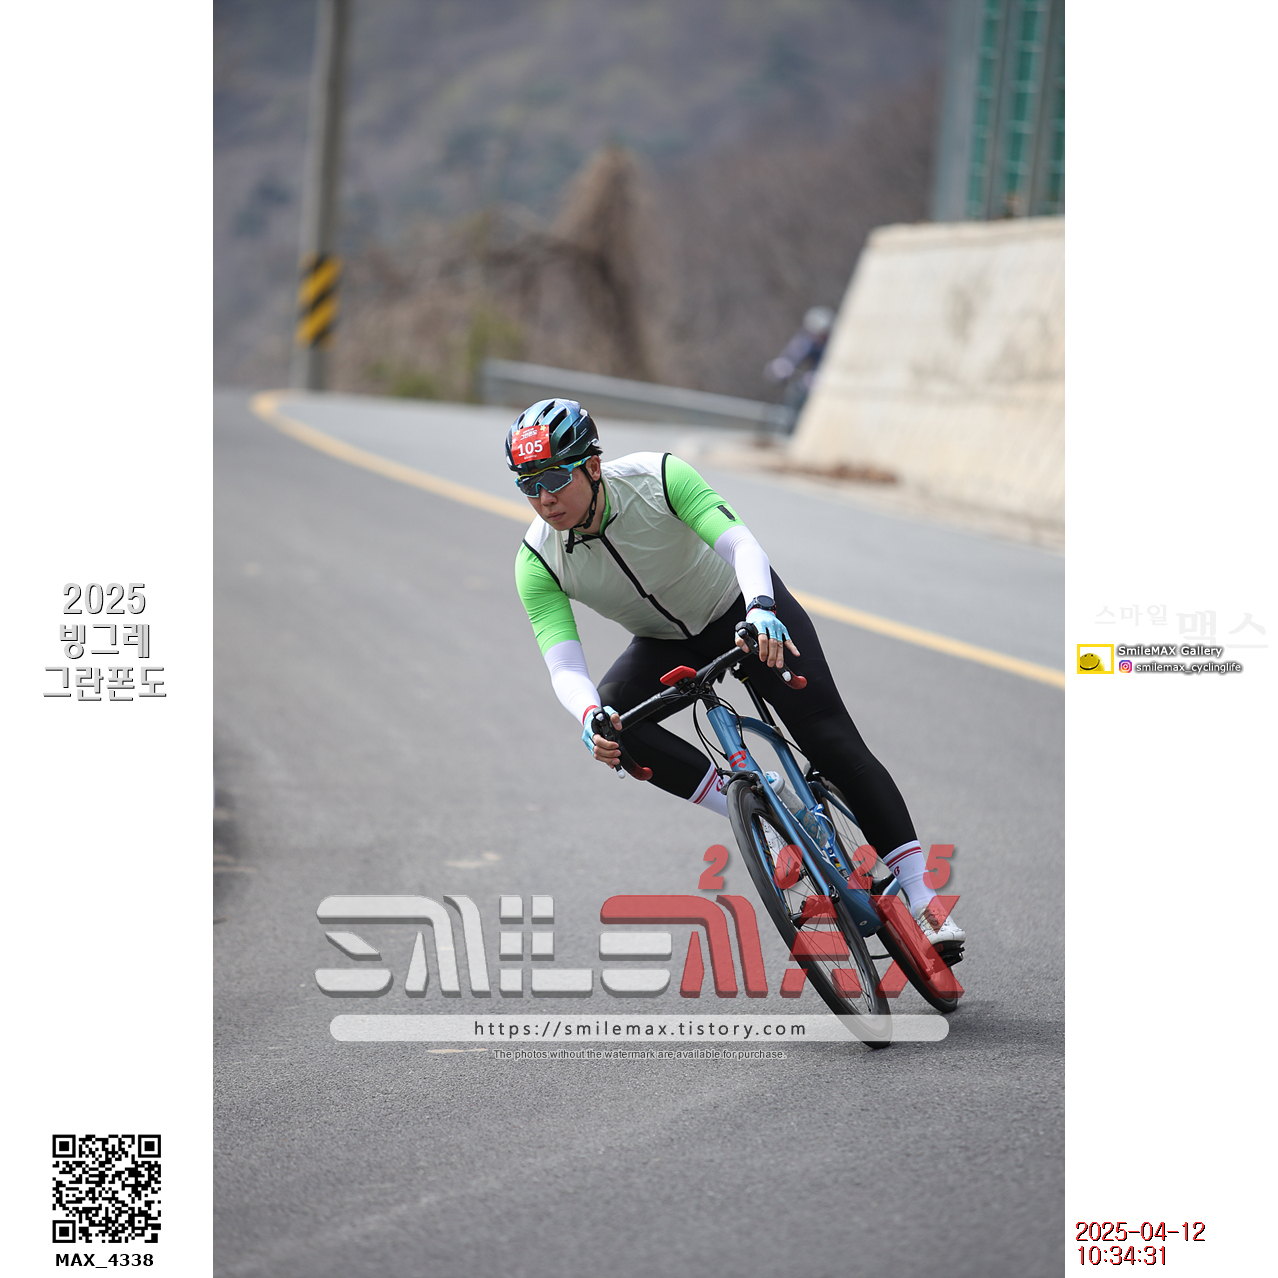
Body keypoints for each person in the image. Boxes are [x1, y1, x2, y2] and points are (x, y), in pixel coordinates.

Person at [508, 397, 963, 948]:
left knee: (830, 739)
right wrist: (590, 717)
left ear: (594, 466)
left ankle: (922, 898)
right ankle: (755, 810)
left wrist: (761, 608)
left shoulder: (658, 477)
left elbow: (740, 543)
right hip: (664, 643)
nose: (544, 498)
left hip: (741, 610)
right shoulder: (537, 561)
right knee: (615, 721)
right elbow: (563, 665)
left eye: (555, 478)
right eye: (528, 484)